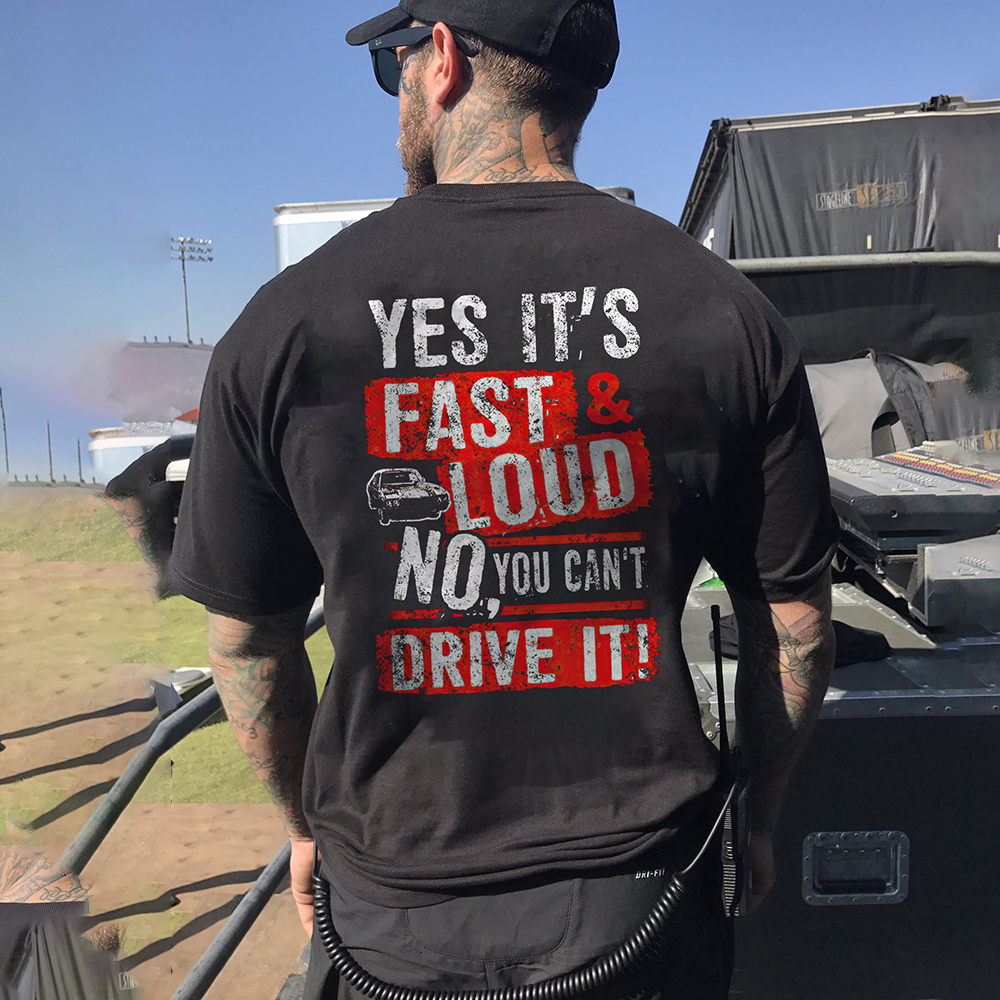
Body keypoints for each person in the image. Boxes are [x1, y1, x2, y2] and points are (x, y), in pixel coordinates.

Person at [168, 1, 839, 996]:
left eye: (395, 60)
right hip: (645, 901)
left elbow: (245, 643)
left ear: (440, 58)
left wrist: (304, 830)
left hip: (394, 910)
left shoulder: (287, 321)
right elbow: (794, 628)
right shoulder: (724, 311)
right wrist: (761, 815)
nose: (399, 83)